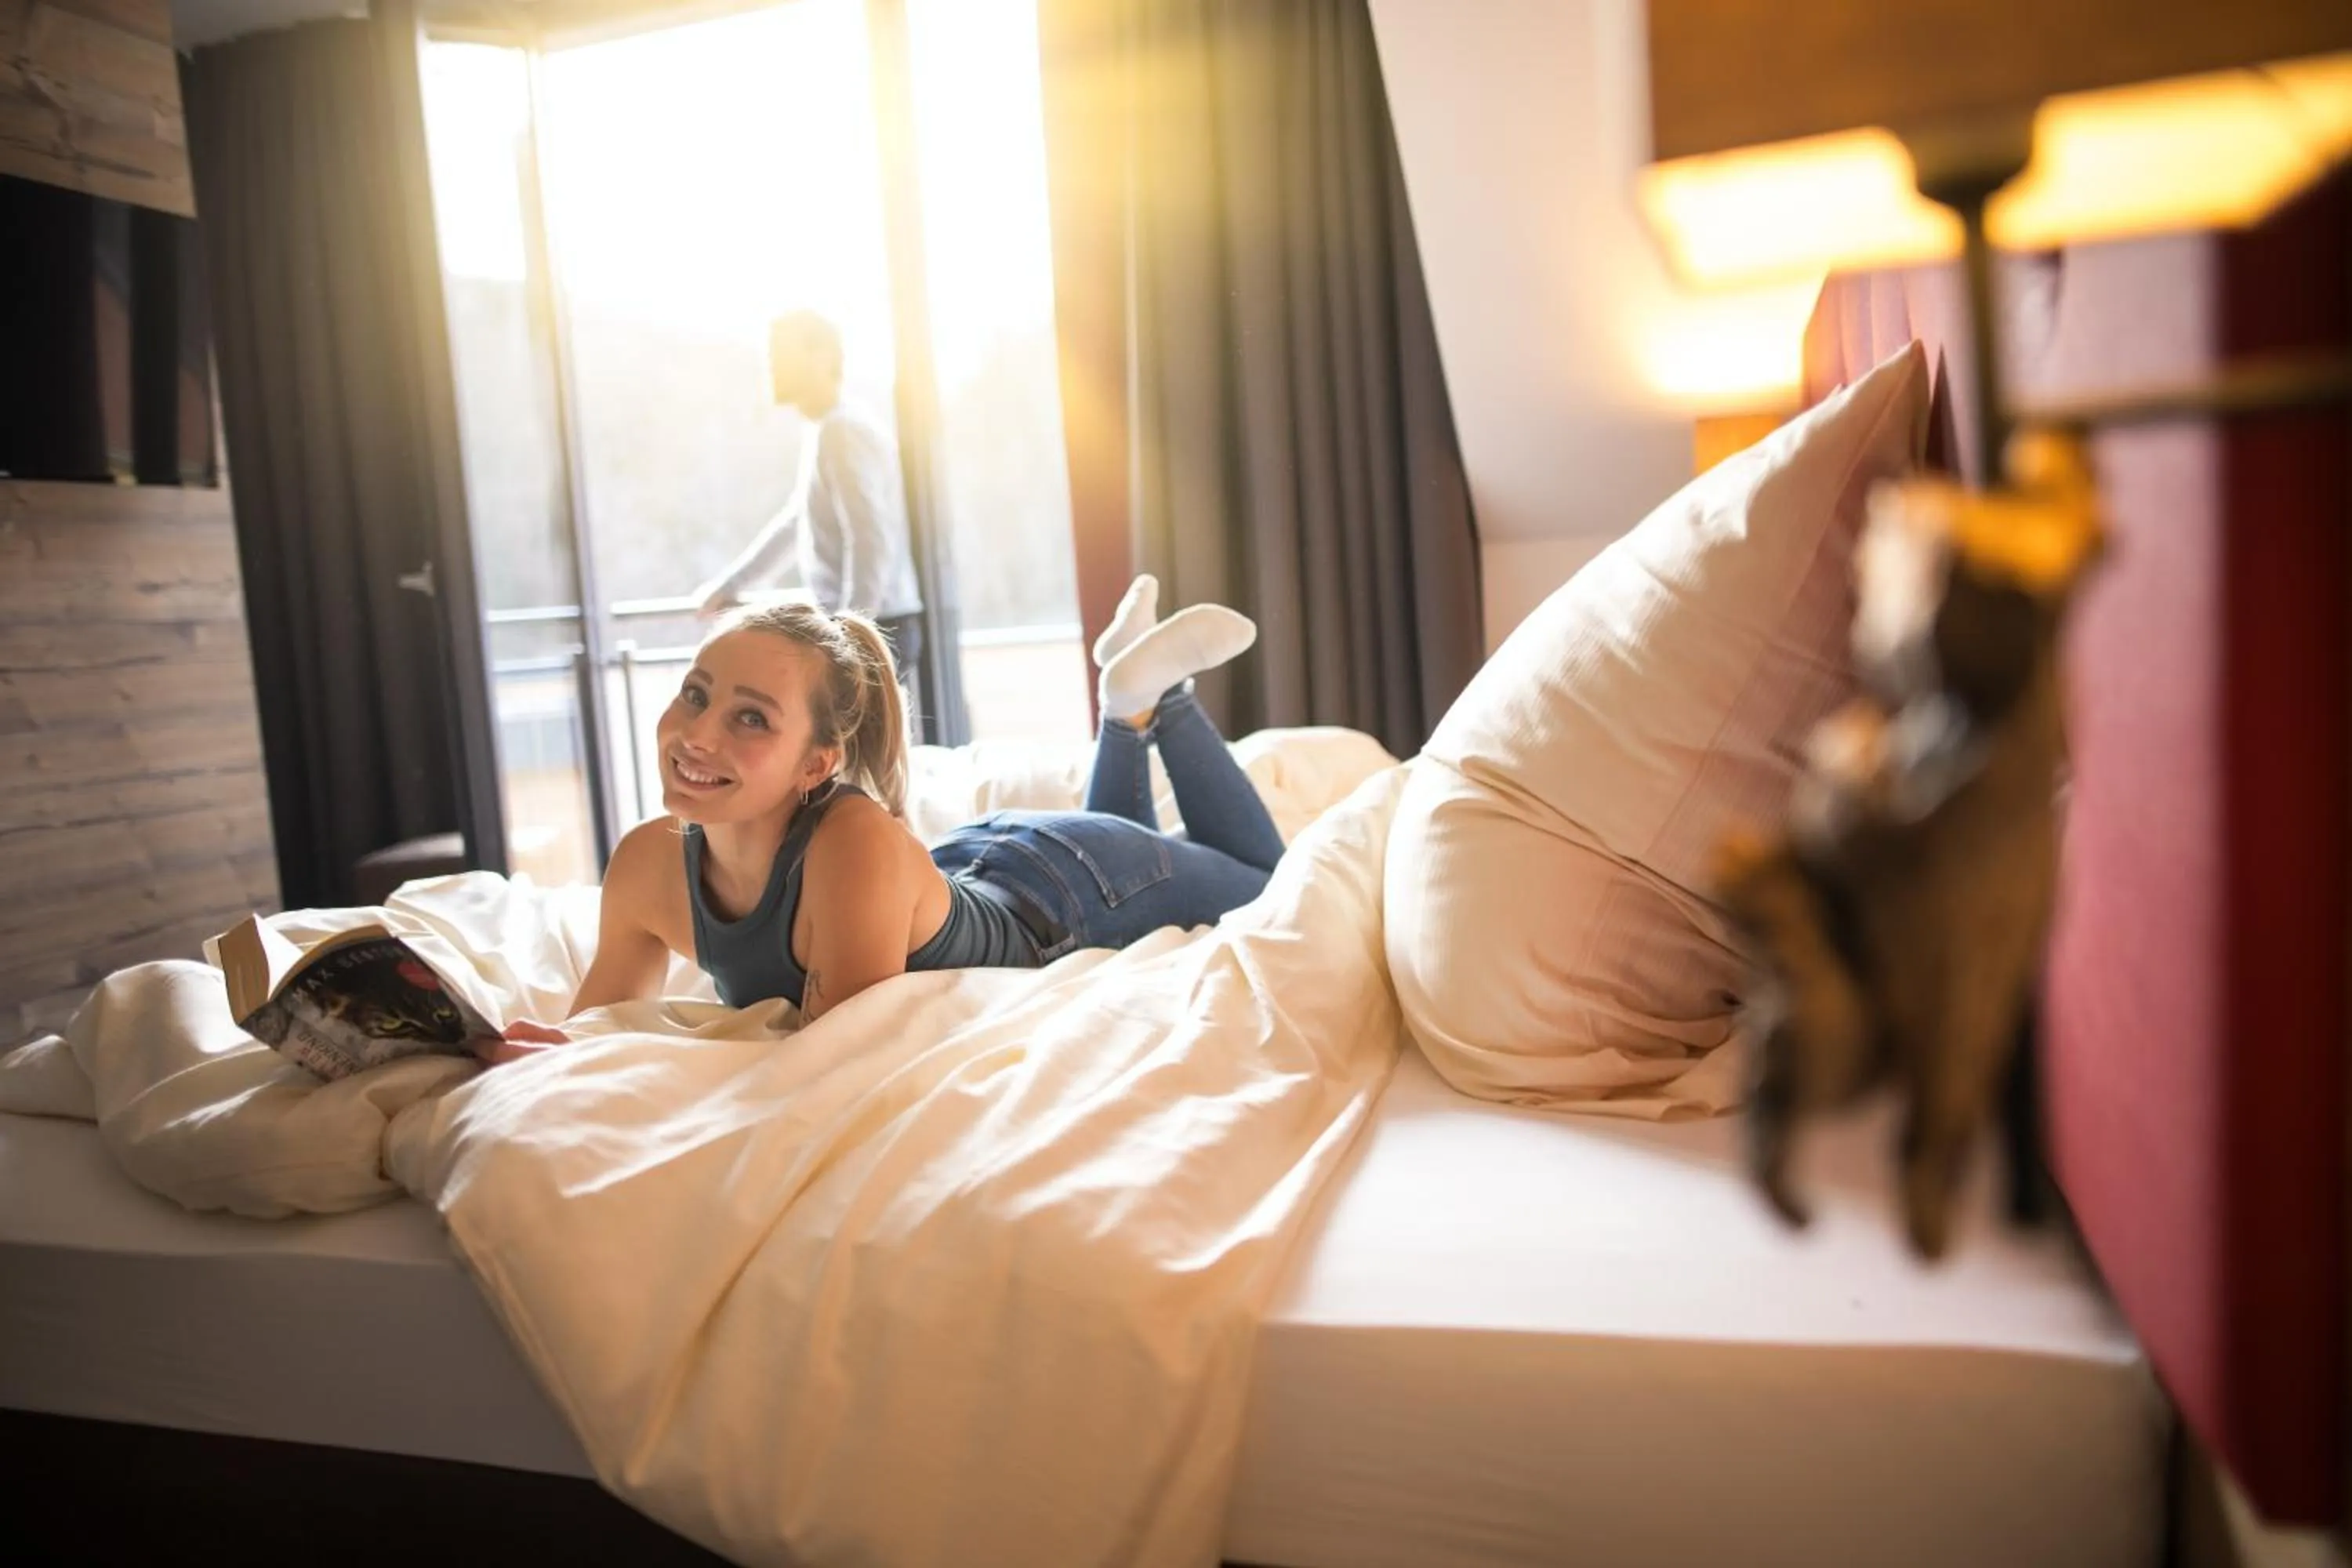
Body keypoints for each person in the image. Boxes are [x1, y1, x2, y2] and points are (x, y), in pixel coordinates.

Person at [488, 575, 1279, 1058]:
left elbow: (836, 1056)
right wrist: (536, 1051)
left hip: (1061, 890)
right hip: (980, 861)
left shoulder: (850, 839)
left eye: (751, 718)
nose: (697, 733)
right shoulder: (645, 862)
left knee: (1265, 877)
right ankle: (1129, 701)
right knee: (1159, 850)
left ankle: (1158, 700)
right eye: (696, 694)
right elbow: (600, 1028)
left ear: (816, 764)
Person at [695, 310, 925, 682]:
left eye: (780, 354)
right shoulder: (827, 429)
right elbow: (797, 521)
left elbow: (870, 540)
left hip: (878, 628)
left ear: (821, 357)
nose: (770, 366)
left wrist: (850, 633)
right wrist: (731, 586)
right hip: (876, 625)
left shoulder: (842, 431)